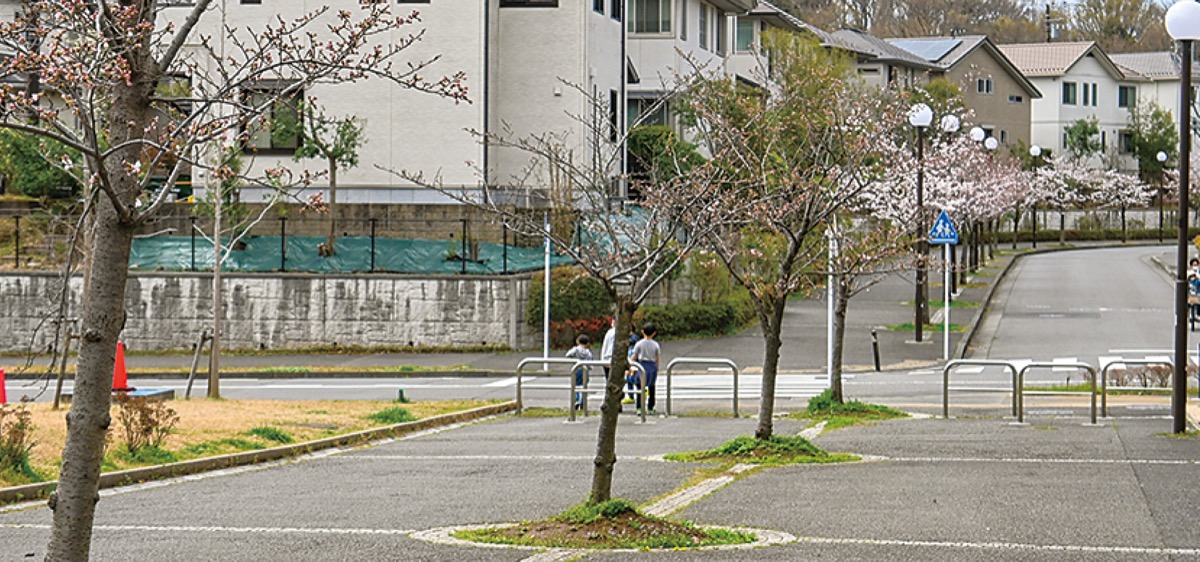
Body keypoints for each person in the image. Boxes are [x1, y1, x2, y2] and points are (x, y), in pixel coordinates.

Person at [630, 323, 661, 414]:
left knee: (640, 388)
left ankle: (639, 408)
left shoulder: (639, 344)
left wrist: (631, 367)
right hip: (652, 366)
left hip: (641, 365)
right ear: (654, 333)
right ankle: (650, 408)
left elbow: (634, 357)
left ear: (642, 332)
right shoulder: (656, 345)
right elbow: (657, 358)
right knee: (651, 388)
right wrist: (657, 368)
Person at [565, 334, 593, 410]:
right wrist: (589, 367)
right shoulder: (588, 352)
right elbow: (591, 363)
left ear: (578, 341)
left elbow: (568, 354)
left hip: (576, 369)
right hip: (585, 370)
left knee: (575, 385)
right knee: (584, 386)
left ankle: (576, 400)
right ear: (587, 343)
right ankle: (583, 402)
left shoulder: (576, 350)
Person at [622, 325, 641, 404]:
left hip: (635, 362)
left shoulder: (635, 337)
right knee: (629, 379)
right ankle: (631, 396)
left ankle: (640, 391)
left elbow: (632, 341)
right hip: (630, 360)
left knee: (633, 379)